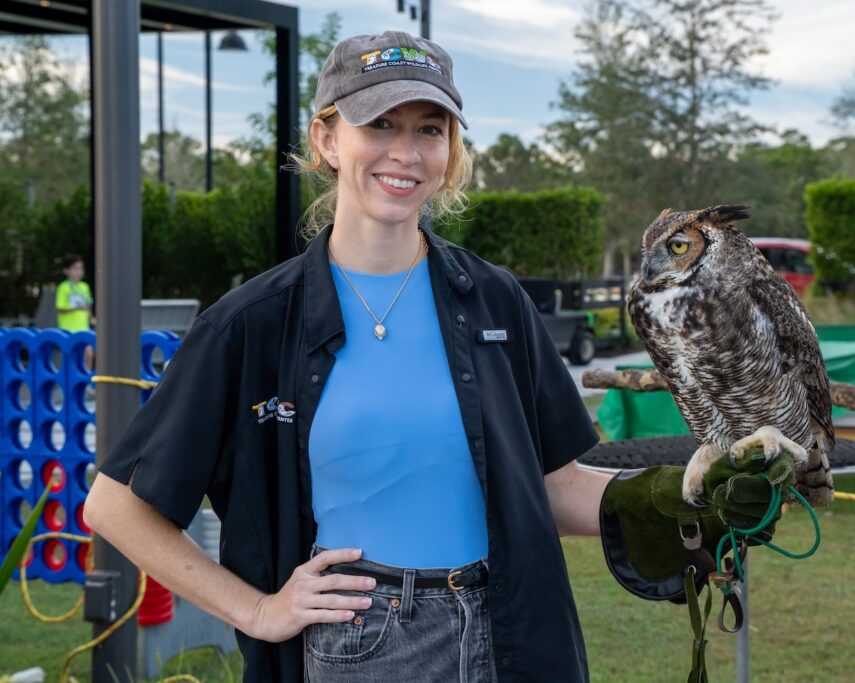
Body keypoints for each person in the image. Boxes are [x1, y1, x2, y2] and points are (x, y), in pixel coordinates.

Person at [84, 31, 615, 682]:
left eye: (429, 129)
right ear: (327, 140)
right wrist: (255, 609)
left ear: (450, 152)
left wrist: (685, 503)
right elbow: (114, 505)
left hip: (511, 633)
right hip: (362, 640)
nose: (406, 151)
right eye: (380, 123)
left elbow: (554, 488)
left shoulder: (494, 300)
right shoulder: (252, 324)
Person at [55, 253, 96, 369]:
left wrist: (91, 318)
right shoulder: (63, 288)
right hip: (68, 329)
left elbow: (86, 306)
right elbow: (59, 308)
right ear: (66, 270)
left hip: (83, 327)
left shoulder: (84, 287)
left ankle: (87, 380)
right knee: (71, 357)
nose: (79, 271)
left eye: (81, 268)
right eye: (75, 268)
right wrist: (77, 308)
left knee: (89, 353)